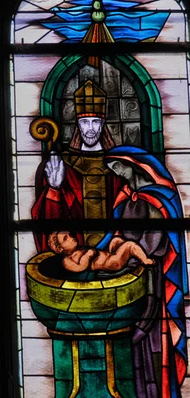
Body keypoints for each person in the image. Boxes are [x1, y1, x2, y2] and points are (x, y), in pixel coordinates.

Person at [99, 146, 187, 397]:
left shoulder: (159, 197)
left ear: (135, 165)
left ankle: (158, 390)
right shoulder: (126, 198)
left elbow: (155, 243)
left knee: (154, 337)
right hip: (129, 272)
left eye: (118, 166)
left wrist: (130, 256)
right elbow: (115, 234)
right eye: (112, 168)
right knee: (134, 342)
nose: (116, 172)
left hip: (153, 277)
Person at [32, 80, 125, 251]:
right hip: (74, 252)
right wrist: (54, 189)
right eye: (84, 122)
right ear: (77, 125)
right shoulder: (64, 165)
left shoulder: (117, 165)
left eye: (95, 122)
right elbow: (44, 218)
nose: (90, 129)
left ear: (103, 124)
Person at [47, 230, 154, 273]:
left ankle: (123, 246)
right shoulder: (67, 260)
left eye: (70, 234)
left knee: (116, 240)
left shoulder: (79, 249)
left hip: (110, 255)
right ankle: (145, 260)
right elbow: (79, 268)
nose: (71, 237)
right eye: (66, 238)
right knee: (129, 245)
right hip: (111, 263)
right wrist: (87, 256)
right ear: (60, 248)